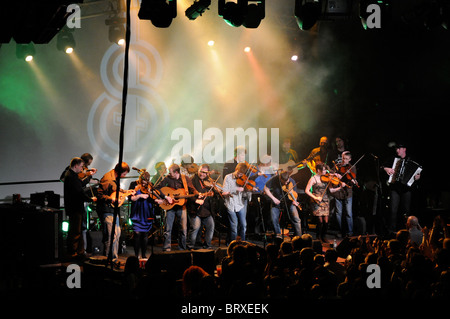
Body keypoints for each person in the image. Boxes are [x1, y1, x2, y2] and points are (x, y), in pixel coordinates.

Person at [157, 163, 198, 251]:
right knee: (168, 229)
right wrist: (166, 197)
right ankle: (167, 248)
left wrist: (198, 194)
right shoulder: (167, 178)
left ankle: (182, 248)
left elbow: (192, 188)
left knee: (183, 229)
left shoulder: (185, 178)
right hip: (170, 207)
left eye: (170, 172)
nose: (169, 173)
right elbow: (157, 188)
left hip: (181, 206)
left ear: (176, 172)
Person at [382, 142, 421, 234]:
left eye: (399, 149)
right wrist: (386, 169)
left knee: (406, 211)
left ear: (404, 149)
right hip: (395, 187)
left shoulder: (412, 159)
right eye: (396, 149)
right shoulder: (392, 159)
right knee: (393, 209)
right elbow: (382, 166)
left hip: (406, 189)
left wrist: (417, 177)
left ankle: (407, 230)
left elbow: (418, 173)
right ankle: (392, 230)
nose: (397, 150)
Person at [97, 162, 132, 261]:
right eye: (124, 174)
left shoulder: (114, 178)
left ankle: (111, 258)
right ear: (120, 172)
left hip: (112, 210)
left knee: (116, 234)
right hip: (107, 209)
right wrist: (111, 199)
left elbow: (115, 190)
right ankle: (111, 259)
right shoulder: (108, 179)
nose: (125, 176)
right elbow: (99, 195)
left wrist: (127, 192)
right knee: (113, 235)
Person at [63, 157, 97, 260]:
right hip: (75, 208)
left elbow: (80, 184)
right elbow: (79, 193)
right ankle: (73, 253)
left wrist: (89, 176)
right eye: (82, 167)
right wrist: (91, 199)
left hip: (75, 208)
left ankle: (78, 252)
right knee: (75, 232)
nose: (83, 169)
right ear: (76, 166)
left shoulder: (72, 175)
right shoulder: (71, 177)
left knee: (77, 231)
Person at [305, 163, 344, 243]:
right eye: (323, 170)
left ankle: (323, 236)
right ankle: (318, 236)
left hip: (325, 201)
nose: (325, 171)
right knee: (320, 221)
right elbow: (307, 190)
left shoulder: (327, 178)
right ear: (318, 170)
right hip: (316, 201)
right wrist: (315, 197)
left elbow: (331, 190)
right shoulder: (313, 179)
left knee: (326, 221)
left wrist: (340, 187)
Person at [129, 171, 164, 258]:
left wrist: (158, 200)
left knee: (145, 235)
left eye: (146, 181)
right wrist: (139, 196)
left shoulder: (150, 186)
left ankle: (144, 255)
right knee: (137, 234)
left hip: (147, 211)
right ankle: (136, 256)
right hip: (137, 212)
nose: (144, 183)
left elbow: (152, 198)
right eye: (143, 181)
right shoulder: (134, 185)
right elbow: (130, 198)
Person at [264, 170, 302, 238]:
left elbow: (295, 194)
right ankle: (278, 236)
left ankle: (299, 237)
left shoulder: (291, 180)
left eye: (287, 181)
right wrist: (273, 198)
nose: (286, 183)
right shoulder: (274, 179)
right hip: (276, 202)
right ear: (280, 178)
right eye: (284, 182)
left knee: (296, 219)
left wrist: (294, 200)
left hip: (289, 202)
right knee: (274, 219)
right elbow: (266, 188)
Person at [222, 162, 252, 242]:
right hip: (230, 205)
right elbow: (224, 192)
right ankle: (233, 243)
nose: (239, 176)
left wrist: (249, 190)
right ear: (236, 169)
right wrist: (236, 189)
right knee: (234, 227)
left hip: (240, 204)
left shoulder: (243, 179)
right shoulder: (228, 177)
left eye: (241, 174)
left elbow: (245, 195)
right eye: (238, 173)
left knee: (244, 225)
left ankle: (243, 243)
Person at [187, 164, 215, 249]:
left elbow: (214, 193)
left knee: (211, 226)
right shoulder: (192, 180)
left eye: (205, 173)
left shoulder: (208, 181)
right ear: (198, 170)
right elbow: (188, 195)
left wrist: (214, 191)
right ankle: (190, 246)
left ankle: (207, 245)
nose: (202, 174)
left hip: (206, 210)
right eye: (201, 172)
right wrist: (196, 199)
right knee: (195, 227)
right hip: (195, 209)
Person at [332, 151, 356, 237]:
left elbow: (352, 179)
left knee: (349, 213)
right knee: (339, 213)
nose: (344, 161)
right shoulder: (337, 166)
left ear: (349, 159)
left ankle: (350, 232)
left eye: (346, 159)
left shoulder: (352, 167)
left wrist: (351, 180)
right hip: (338, 192)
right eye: (343, 158)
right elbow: (331, 176)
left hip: (347, 193)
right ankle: (340, 231)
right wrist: (335, 175)